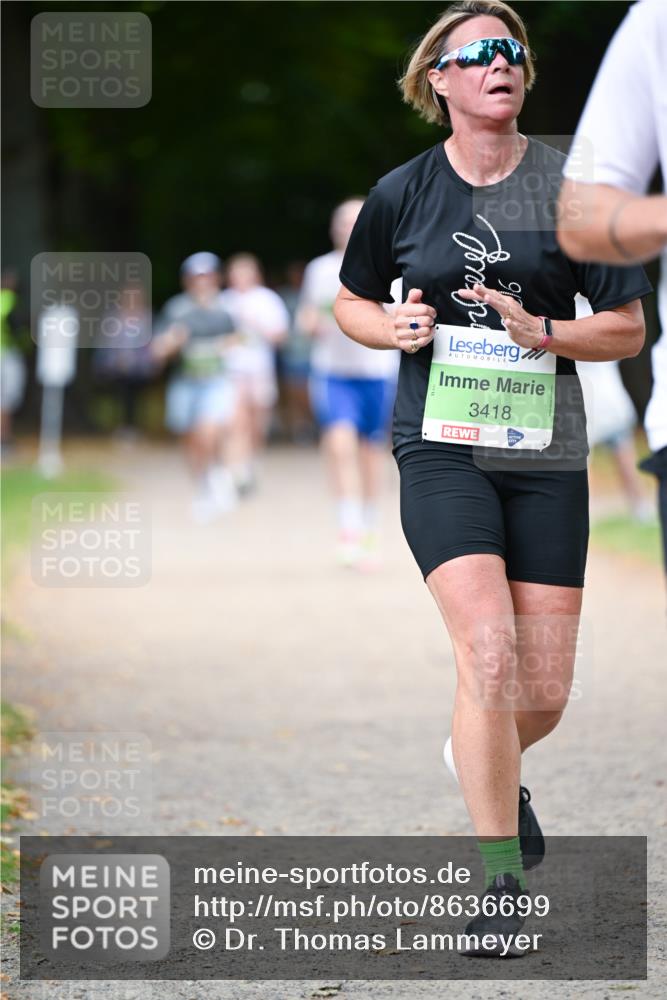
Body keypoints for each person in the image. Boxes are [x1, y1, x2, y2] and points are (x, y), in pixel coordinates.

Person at [333, 0, 651, 956]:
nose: (497, 64)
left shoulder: (571, 192)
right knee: (488, 654)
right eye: (475, 54)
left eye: (510, 50)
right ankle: (501, 885)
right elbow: (350, 300)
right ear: (439, 79)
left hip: (546, 452)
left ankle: (486, 759)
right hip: (439, 446)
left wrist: (542, 331)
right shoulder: (402, 192)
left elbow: (627, 327)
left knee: (540, 694)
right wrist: (385, 327)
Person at [558, 0, 667, 583]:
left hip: (597, 362)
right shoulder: (656, 21)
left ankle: (633, 503)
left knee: (618, 435)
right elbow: (582, 218)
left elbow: (626, 325)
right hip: (579, 371)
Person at [298, 200, 399, 567]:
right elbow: (307, 313)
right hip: (333, 371)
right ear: (333, 228)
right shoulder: (320, 269)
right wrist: (310, 323)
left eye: (354, 221)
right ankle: (348, 525)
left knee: (372, 452)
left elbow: (401, 317)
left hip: (377, 372)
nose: (347, 227)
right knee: (339, 444)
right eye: (341, 221)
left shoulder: (390, 267)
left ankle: (370, 526)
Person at [152, 252, 239, 522]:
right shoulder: (176, 310)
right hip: (185, 382)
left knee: (209, 431)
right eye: (196, 277)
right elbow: (157, 350)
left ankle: (217, 475)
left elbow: (239, 339)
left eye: (207, 276)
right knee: (190, 440)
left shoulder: (226, 310)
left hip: (215, 381)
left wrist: (229, 346)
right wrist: (171, 342)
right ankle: (203, 486)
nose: (202, 282)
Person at [220, 253, 289, 495]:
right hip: (231, 370)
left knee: (257, 423)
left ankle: (251, 464)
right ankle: (233, 473)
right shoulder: (223, 301)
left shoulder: (267, 300)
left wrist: (256, 324)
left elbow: (280, 336)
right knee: (235, 422)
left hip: (260, 369)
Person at [276, 261, 316, 444]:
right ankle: (297, 429)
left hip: (311, 353)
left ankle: (311, 426)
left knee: (309, 393)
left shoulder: (311, 295)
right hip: (291, 354)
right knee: (292, 393)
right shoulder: (284, 297)